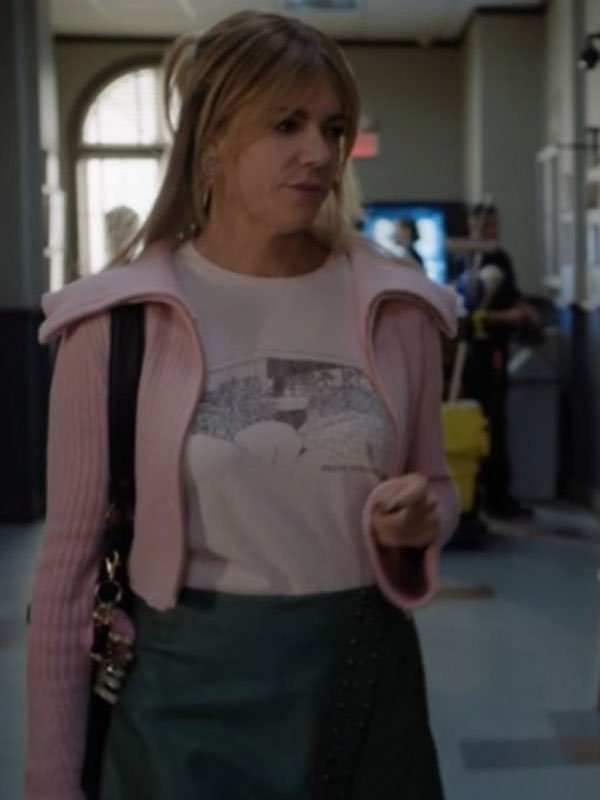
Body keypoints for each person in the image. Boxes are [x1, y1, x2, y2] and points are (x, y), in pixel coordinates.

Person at [25, 11, 458, 800]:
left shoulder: (398, 308)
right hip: (187, 701)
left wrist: (421, 520)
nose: (319, 153)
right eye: (285, 124)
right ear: (211, 142)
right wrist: (51, 783)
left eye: (333, 128)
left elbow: (433, 483)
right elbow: (66, 579)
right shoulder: (118, 322)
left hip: (362, 680)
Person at [453, 202, 540, 520]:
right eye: (483, 224)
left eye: (493, 224)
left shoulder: (499, 258)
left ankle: (497, 494)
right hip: (480, 352)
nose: (490, 230)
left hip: (498, 350)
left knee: (497, 422)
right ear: (472, 225)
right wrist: (509, 317)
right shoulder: (469, 261)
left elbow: (510, 293)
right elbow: (467, 308)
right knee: (486, 422)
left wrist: (523, 308)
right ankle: (485, 496)